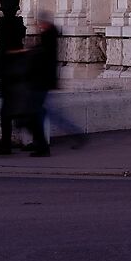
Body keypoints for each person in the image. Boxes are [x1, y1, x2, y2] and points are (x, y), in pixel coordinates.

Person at [25, 10, 84, 154]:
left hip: (42, 81)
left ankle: (75, 135)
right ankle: (40, 141)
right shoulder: (49, 36)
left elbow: (43, 56)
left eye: (39, 22)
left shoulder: (48, 36)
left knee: (43, 113)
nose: (38, 25)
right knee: (44, 112)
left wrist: (29, 52)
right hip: (43, 80)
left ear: (44, 22)